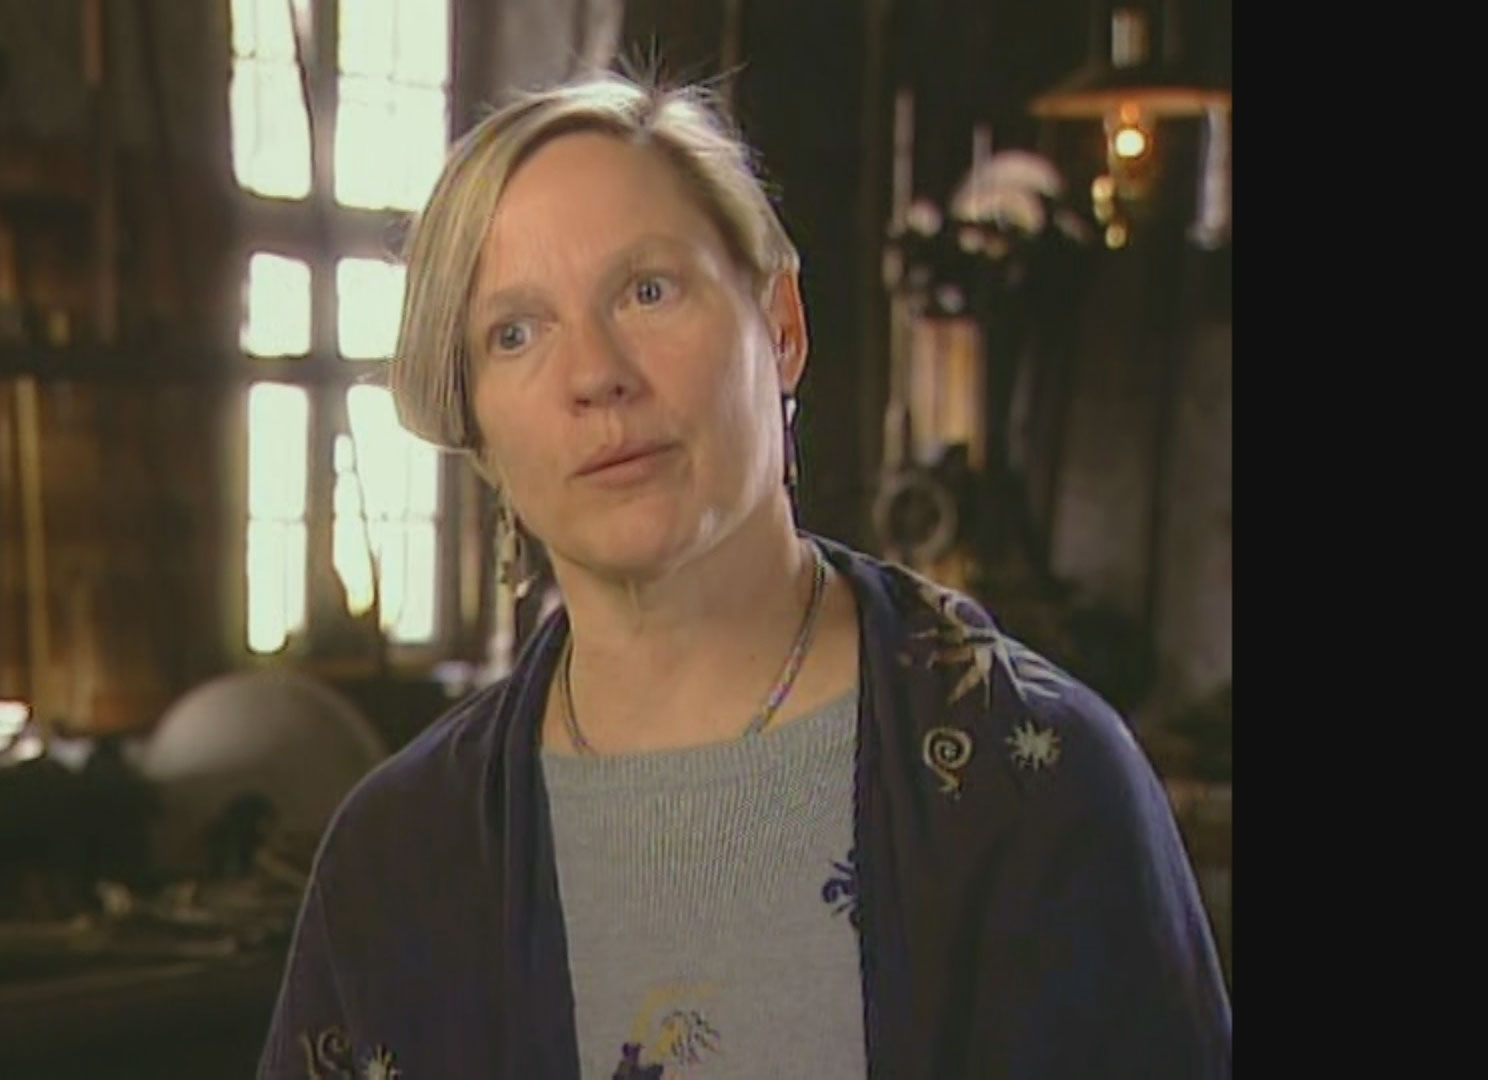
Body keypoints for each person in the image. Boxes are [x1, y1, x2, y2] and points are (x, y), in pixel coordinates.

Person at [256, 71, 1231, 1080]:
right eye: (517, 332)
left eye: (648, 290)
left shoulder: (1035, 780)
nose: (597, 373)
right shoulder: (401, 855)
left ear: (782, 325)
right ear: (478, 427)